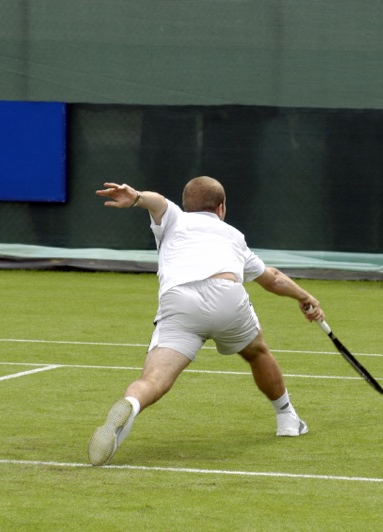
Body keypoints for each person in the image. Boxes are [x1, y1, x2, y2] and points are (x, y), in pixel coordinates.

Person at [88, 176, 325, 466]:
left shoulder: (174, 217)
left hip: (180, 301)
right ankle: (287, 419)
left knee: (152, 380)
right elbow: (272, 278)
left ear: (186, 205)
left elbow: (157, 201)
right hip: (227, 297)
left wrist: (136, 197)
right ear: (221, 207)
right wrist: (305, 297)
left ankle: (132, 406)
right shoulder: (234, 236)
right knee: (256, 352)